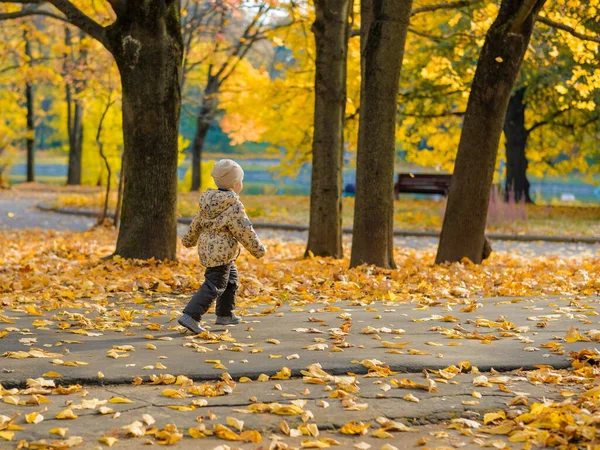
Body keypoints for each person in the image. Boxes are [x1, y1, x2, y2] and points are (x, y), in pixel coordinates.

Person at [178, 159, 266, 334]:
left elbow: (197, 223)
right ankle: (191, 315)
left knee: (231, 280)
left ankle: (225, 315)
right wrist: (258, 249)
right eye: (241, 180)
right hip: (222, 252)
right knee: (215, 285)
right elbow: (244, 230)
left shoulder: (207, 202)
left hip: (209, 250)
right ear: (235, 184)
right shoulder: (233, 205)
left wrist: (189, 240)